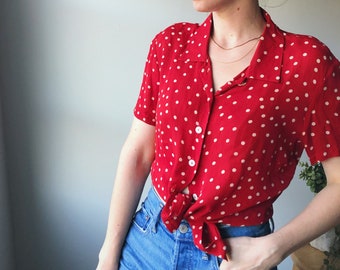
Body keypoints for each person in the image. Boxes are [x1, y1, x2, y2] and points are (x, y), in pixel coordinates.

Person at [97, 0, 340, 269]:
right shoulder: (170, 44)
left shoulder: (306, 64)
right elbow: (139, 152)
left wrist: (273, 248)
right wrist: (108, 253)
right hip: (147, 243)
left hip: (236, 258)